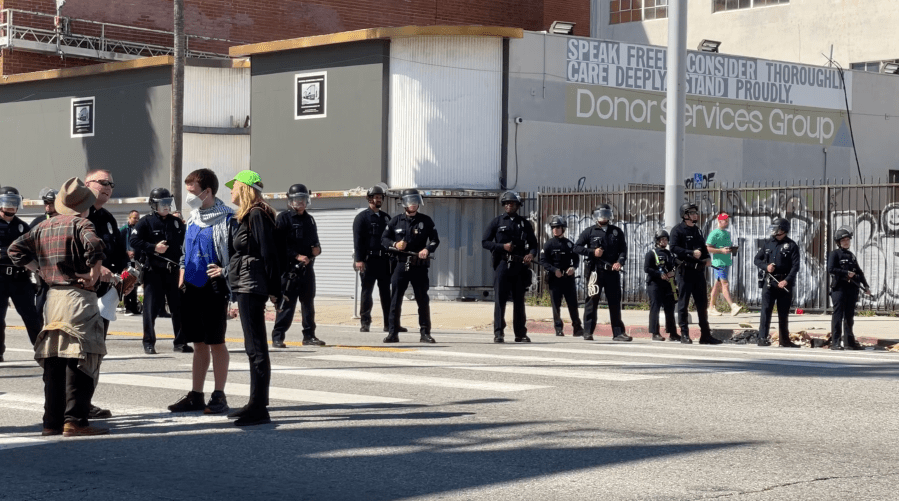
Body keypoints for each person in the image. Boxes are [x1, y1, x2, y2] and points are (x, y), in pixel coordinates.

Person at [8, 177, 110, 436]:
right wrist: (93, 274)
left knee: (54, 358)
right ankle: (75, 420)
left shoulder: (44, 226)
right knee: (82, 356)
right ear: (85, 205)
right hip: (77, 297)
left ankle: (51, 422)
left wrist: (39, 269)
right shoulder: (82, 223)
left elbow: (15, 250)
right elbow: (95, 247)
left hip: (52, 298)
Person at [167, 169, 234, 414]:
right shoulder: (193, 218)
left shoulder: (228, 219)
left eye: (193, 192)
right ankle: (196, 395)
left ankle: (219, 395)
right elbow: (185, 254)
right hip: (191, 287)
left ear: (208, 191)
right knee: (198, 343)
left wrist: (225, 271)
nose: (189, 197)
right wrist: (181, 280)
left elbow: (236, 255)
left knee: (216, 342)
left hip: (213, 289)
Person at [225, 170, 281, 426]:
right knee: (252, 347)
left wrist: (275, 289)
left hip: (252, 284)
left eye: (234, 186)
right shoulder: (250, 215)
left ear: (245, 188)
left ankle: (259, 407)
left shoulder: (257, 214)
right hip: (247, 283)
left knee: (256, 347)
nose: (231, 192)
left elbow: (269, 253)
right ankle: (255, 402)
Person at [84, 169, 131, 420]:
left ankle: (86, 400)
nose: (108, 187)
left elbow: (120, 255)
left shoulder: (110, 218)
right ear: (86, 183)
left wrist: (127, 277)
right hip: (81, 294)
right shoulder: (75, 215)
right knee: (79, 351)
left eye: (111, 184)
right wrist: (95, 267)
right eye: (102, 183)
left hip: (106, 295)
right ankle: (71, 403)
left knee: (97, 349)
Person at [130, 187, 191, 354]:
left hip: (173, 272)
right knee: (150, 309)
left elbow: (184, 246)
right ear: (153, 204)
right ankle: (148, 342)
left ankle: (180, 343)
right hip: (154, 272)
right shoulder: (146, 222)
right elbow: (134, 240)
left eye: (168, 202)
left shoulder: (176, 222)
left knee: (178, 308)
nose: (166, 206)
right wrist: (153, 247)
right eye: (162, 203)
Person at [381, 189, 439, 344]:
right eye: (410, 201)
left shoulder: (426, 221)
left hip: (419, 265)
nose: (413, 204)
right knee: (396, 299)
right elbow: (384, 239)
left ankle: (425, 333)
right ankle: (392, 333)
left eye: (415, 200)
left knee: (422, 300)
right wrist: (395, 244)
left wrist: (427, 249)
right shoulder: (396, 221)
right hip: (401, 264)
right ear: (404, 203)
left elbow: (435, 240)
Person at [271, 183, 325, 348]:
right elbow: (278, 245)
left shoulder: (309, 219)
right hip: (289, 270)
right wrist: (295, 256)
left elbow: (315, 242)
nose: (300, 203)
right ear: (290, 200)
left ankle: (309, 335)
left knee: (308, 303)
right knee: (287, 304)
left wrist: (317, 250)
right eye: (296, 199)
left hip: (306, 269)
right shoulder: (283, 218)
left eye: (302, 199)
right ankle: (278, 336)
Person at [482, 191, 538, 343]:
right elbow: (485, 242)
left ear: (518, 206)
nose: (508, 205)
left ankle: (520, 333)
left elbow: (534, 245)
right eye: (506, 203)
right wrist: (502, 247)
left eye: (511, 203)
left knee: (519, 301)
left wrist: (531, 255)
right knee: (500, 299)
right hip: (502, 264)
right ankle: (499, 333)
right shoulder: (497, 222)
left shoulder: (524, 224)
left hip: (519, 266)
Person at [574, 204, 631, 342]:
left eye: (606, 214)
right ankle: (587, 332)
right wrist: (592, 252)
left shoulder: (616, 231)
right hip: (595, 272)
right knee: (591, 301)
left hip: (612, 272)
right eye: (601, 214)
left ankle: (618, 333)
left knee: (614, 302)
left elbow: (623, 249)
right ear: (595, 216)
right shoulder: (590, 231)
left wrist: (620, 262)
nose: (603, 217)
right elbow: (577, 247)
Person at [0, 186, 42, 363]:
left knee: (31, 315)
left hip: (19, 278)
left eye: (14, 203)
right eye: (7, 203)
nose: (11, 207)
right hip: (0, 278)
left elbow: (31, 250)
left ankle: (42, 351)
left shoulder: (22, 226)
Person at [353, 185, 403, 333]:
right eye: (376, 197)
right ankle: (365, 322)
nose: (378, 199)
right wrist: (359, 259)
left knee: (386, 293)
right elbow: (358, 240)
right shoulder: (361, 218)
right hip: (368, 260)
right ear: (369, 199)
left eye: (380, 197)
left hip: (384, 261)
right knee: (367, 292)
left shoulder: (386, 218)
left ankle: (389, 324)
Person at [669, 203, 721, 344]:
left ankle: (705, 334)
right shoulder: (677, 230)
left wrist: (707, 258)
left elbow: (703, 247)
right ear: (685, 215)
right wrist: (690, 253)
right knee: (683, 304)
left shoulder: (697, 230)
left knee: (702, 304)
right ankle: (684, 334)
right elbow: (673, 248)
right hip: (685, 272)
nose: (695, 215)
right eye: (692, 213)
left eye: (695, 213)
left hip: (698, 272)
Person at [753, 217, 801, 348]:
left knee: (783, 313)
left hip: (784, 282)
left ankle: (784, 340)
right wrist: (766, 266)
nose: (774, 231)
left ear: (784, 230)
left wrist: (786, 280)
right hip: (770, 282)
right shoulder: (768, 243)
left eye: (777, 228)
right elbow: (757, 260)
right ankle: (762, 338)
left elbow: (795, 266)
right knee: (766, 310)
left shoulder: (791, 245)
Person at [537, 215, 583, 337]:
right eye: (553, 227)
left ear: (563, 228)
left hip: (568, 279)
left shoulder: (569, 244)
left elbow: (576, 260)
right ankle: (558, 328)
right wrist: (554, 270)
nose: (555, 230)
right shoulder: (548, 244)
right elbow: (543, 261)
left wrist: (573, 268)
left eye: (558, 227)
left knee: (573, 304)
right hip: (554, 279)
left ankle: (577, 328)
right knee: (556, 305)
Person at [827, 228, 871, 350]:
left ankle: (849, 342)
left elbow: (859, 272)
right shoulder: (834, 254)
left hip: (851, 289)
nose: (846, 242)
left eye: (847, 240)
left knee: (849, 316)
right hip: (839, 288)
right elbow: (831, 269)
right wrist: (846, 273)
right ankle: (835, 342)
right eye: (843, 240)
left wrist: (866, 286)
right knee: (838, 315)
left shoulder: (851, 255)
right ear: (838, 242)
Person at [30, 188, 59, 327]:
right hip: (43, 266)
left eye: (51, 203)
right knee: (43, 293)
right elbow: (25, 244)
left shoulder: (65, 220)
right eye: (46, 203)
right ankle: (38, 324)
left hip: (61, 267)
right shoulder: (38, 221)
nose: (48, 206)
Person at [644, 230, 679, 342]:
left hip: (668, 284)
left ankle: (673, 333)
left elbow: (675, 266)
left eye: (666, 239)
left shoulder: (670, 254)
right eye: (662, 239)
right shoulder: (651, 253)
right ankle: (655, 333)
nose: (664, 241)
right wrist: (659, 274)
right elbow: (647, 268)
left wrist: (673, 272)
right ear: (657, 240)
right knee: (655, 308)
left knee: (670, 308)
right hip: (655, 284)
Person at [706, 212, 742, 316]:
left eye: (727, 221)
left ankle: (711, 308)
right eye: (725, 221)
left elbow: (724, 247)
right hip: (718, 263)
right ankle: (733, 306)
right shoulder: (714, 233)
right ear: (719, 221)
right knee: (725, 284)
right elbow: (707, 248)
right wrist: (721, 250)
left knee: (717, 286)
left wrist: (731, 250)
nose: (727, 223)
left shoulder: (726, 233)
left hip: (726, 262)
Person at [119, 210, 141, 316]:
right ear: (129, 218)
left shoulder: (139, 230)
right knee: (127, 281)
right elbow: (118, 245)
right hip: (125, 261)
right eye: (134, 218)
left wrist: (135, 252)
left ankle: (134, 307)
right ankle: (127, 307)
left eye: (138, 218)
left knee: (135, 283)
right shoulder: (123, 230)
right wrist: (126, 252)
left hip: (135, 260)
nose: (136, 220)